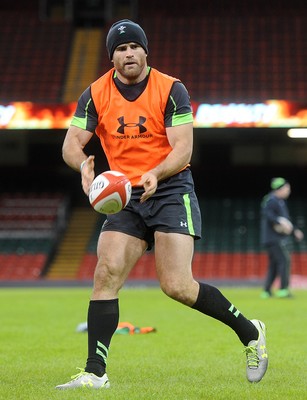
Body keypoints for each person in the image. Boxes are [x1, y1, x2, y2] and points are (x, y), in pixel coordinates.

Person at [56, 19, 268, 390]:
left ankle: (250, 332)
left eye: (134, 47)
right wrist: (84, 165)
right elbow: (72, 143)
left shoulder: (171, 89)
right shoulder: (95, 93)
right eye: (120, 50)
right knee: (105, 274)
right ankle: (95, 373)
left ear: (145, 51)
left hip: (171, 188)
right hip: (124, 194)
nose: (128, 54)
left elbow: (183, 148)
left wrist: (155, 172)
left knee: (177, 286)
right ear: (113, 58)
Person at [260, 177, 304, 299]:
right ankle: (283, 290)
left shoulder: (280, 201)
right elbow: (268, 214)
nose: (288, 191)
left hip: (273, 239)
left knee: (274, 265)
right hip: (274, 238)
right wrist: (278, 221)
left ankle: (266, 291)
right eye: (287, 188)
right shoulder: (271, 200)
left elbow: (287, 220)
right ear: (279, 189)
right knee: (284, 260)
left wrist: (294, 230)